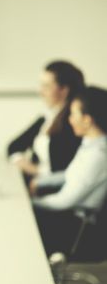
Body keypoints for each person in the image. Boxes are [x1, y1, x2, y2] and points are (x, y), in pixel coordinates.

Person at [30, 86, 107, 255]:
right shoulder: (91, 143)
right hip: (68, 217)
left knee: (22, 222)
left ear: (87, 120)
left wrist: (30, 203)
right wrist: (39, 182)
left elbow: (65, 200)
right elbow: (69, 175)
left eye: (73, 114)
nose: (70, 119)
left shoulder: (98, 155)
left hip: (76, 227)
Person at [7, 61, 85, 183]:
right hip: (37, 183)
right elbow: (13, 146)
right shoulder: (47, 116)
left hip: (50, 188)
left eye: (46, 86)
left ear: (64, 90)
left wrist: (35, 170)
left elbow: (66, 170)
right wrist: (20, 161)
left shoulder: (73, 124)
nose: (40, 91)